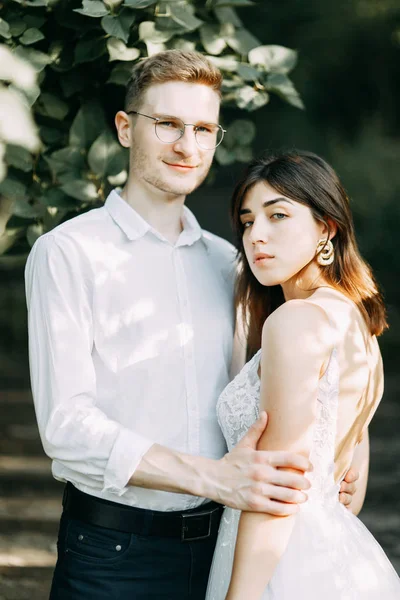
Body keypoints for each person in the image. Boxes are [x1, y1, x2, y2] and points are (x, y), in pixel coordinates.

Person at [25, 52, 359, 600]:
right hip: (113, 554)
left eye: (203, 128)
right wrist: (210, 477)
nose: (187, 145)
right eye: (169, 125)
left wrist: (351, 445)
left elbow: (309, 350)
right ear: (126, 128)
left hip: (221, 548)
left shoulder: (231, 260)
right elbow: (65, 428)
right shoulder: (68, 252)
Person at [205, 150, 400, 600]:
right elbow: (349, 482)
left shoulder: (296, 322)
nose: (257, 235)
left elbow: (278, 485)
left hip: (283, 566)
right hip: (335, 553)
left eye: (278, 216)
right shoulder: (357, 322)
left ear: (326, 228)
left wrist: (240, 596)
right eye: (249, 221)